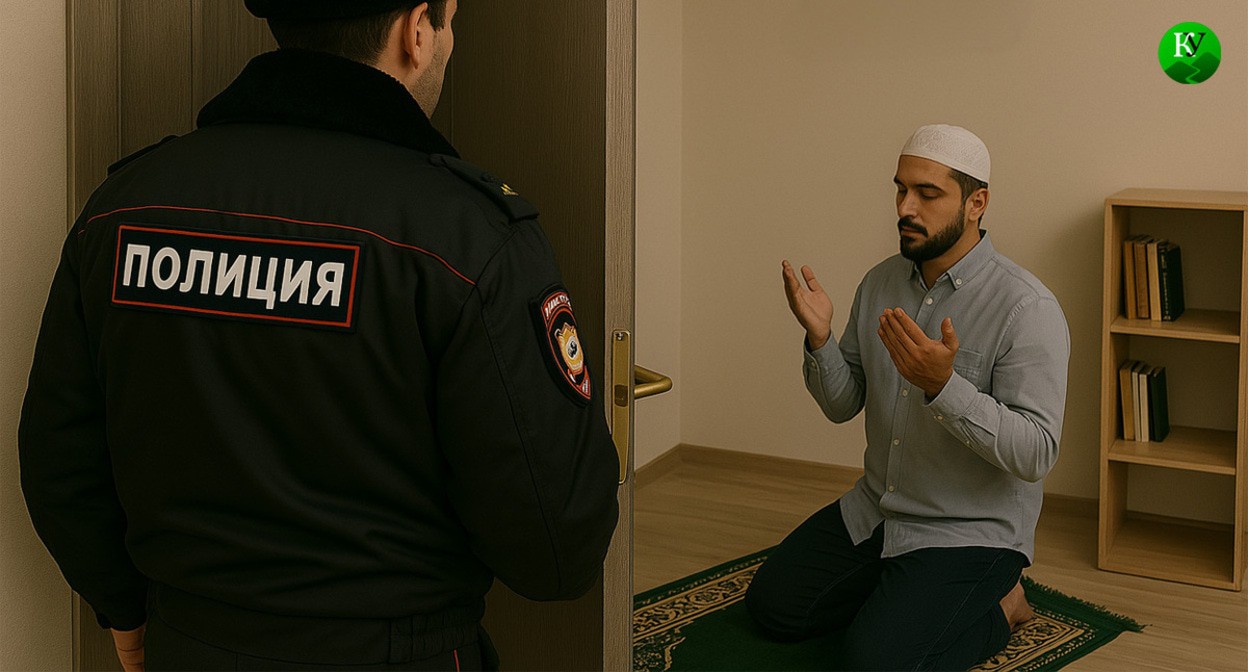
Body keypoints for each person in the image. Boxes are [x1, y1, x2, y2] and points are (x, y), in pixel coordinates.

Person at [18, 1, 620, 670]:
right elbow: (556, 549)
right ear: (417, 31)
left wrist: (125, 612)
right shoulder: (468, 237)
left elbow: (59, 463)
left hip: (187, 645)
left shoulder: (125, 206)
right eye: (450, 21)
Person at [747, 124, 1070, 671]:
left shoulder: (1027, 308)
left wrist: (944, 387)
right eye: (900, 189)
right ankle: (897, 601)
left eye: (927, 193)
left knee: (871, 665)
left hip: (968, 531)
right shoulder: (880, 283)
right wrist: (820, 338)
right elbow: (842, 404)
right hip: (878, 508)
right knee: (774, 609)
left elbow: (1036, 453)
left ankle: (1003, 607)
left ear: (976, 203)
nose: (905, 207)